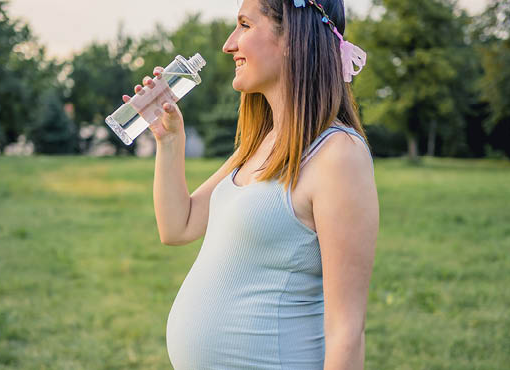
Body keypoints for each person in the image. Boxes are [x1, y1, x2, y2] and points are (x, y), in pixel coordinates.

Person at [122, 0, 378, 368]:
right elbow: (177, 226)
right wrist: (169, 141)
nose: (229, 44)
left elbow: (346, 332)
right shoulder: (260, 144)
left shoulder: (338, 155)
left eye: (245, 25)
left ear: (293, 37)